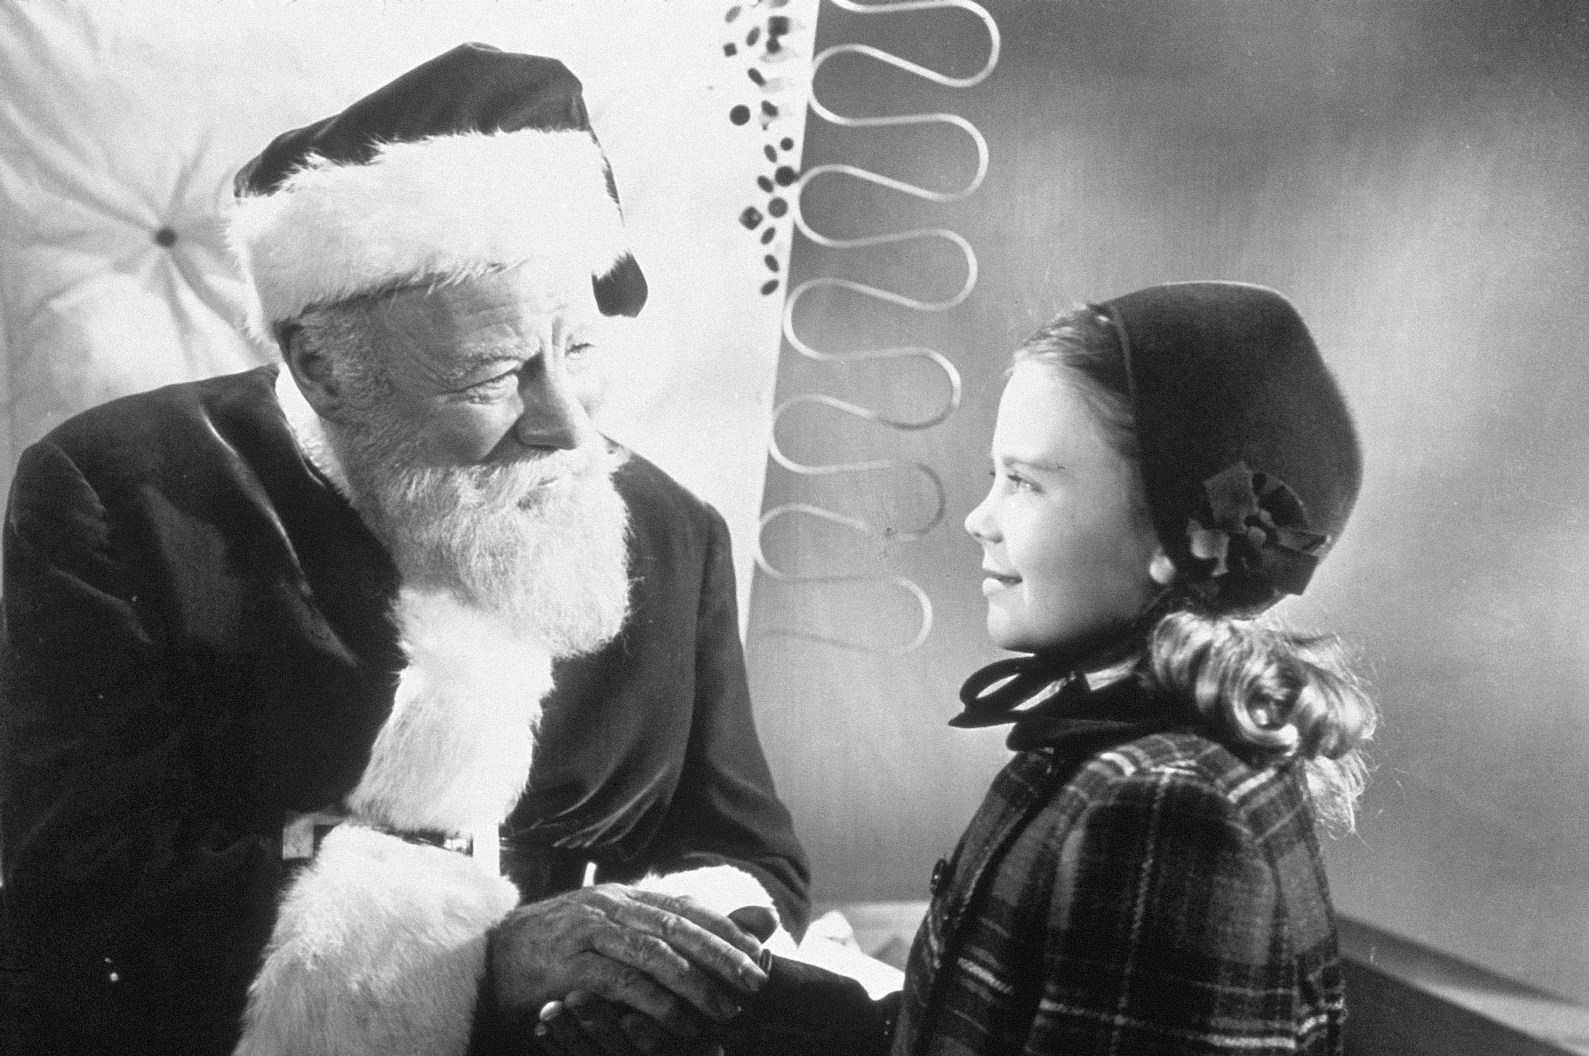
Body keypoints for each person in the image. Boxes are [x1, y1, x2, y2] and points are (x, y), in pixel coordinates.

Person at [0, 44, 808, 1056]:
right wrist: (478, 961)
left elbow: (752, 861)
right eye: (492, 375)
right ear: (324, 368)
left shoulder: (671, 528)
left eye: (578, 349)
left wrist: (655, 968)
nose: (566, 426)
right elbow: (82, 902)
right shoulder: (121, 494)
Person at [542, 280, 1368, 1055]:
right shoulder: (1112, 753)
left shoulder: (1162, 806)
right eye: (992, 477)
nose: (979, 518)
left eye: (1024, 483)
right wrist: (738, 1004)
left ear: (1170, 536)